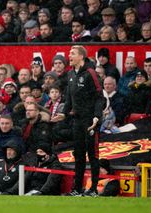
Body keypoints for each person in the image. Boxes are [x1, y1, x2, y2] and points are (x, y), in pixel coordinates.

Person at [61, 45, 104, 196]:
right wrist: (64, 113)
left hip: (90, 121)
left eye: (72, 53)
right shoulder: (70, 74)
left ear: (81, 57)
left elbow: (100, 97)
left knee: (93, 155)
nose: (69, 56)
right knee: (78, 155)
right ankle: (76, 189)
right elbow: (69, 98)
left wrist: (97, 116)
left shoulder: (90, 73)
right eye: (69, 53)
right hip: (77, 121)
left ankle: (93, 189)